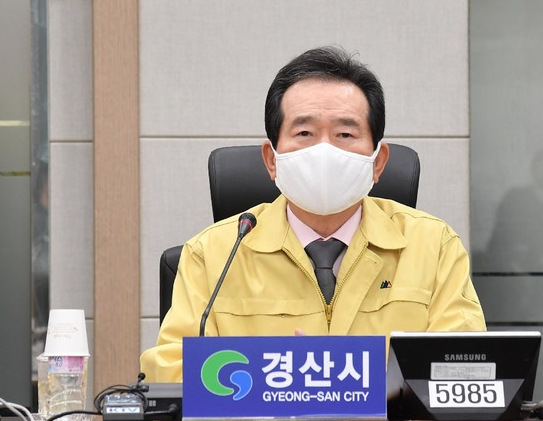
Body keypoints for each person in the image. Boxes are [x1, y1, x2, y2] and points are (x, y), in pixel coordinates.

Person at [140, 46, 486, 382]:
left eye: (345, 134)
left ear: (378, 162)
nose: (324, 150)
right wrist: (288, 380)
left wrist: (345, 385)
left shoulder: (433, 246)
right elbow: (170, 375)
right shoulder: (213, 254)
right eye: (304, 133)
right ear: (272, 160)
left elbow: (464, 369)